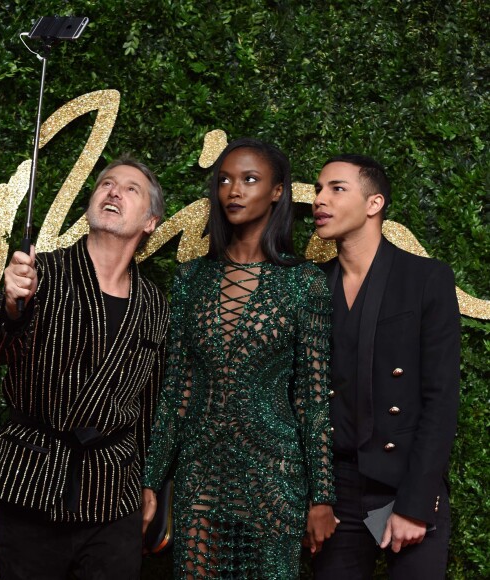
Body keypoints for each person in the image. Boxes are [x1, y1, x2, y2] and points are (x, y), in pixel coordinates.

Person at [141, 138, 337, 578]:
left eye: (250, 179)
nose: (234, 190)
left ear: (277, 192)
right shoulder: (191, 279)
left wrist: (322, 496)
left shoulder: (304, 284)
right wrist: (152, 479)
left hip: (274, 470)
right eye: (225, 179)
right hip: (200, 468)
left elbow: (312, 399)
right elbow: (176, 391)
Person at [0, 156, 170, 579]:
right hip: (33, 480)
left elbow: (151, 406)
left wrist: (151, 483)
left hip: (114, 492)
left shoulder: (154, 304)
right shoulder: (39, 272)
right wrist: (12, 306)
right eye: (105, 184)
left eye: (130, 189)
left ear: (151, 222)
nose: (113, 191)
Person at [310, 154, 460, 579]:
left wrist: (415, 504)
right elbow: (303, 402)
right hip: (336, 493)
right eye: (319, 188)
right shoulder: (312, 286)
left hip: (407, 483)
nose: (320, 199)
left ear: (374, 204)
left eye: (337, 189)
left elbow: (441, 399)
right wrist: (315, 499)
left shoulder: (425, 278)